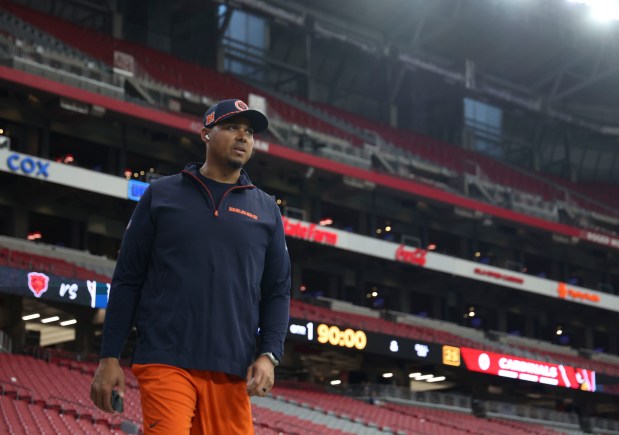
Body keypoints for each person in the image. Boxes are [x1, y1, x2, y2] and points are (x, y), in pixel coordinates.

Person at [90, 99, 291, 434]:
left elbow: (278, 290)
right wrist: (109, 355)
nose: (243, 137)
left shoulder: (267, 209)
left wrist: (269, 354)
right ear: (205, 134)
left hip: (232, 367)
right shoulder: (161, 195)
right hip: (165, 357)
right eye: (231, 127)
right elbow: (128, 279)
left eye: (249, 131)